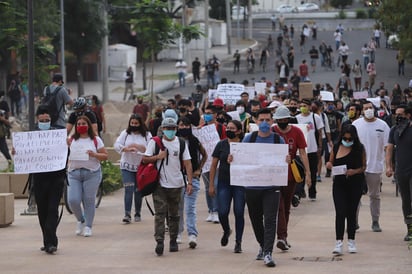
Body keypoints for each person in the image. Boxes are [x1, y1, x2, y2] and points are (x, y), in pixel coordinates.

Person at [241, 108, 288, 267]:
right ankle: (262, 244)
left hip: (271, 187)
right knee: (255, 219)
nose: (264, 123)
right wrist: (232, 157)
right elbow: (241, 159)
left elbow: (283, 162)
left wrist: (287, 160)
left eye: (267, 120)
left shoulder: (277, 140)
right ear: (256, 121)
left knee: (270, 219)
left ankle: (268, 252)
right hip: (252, 187)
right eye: (261, 120)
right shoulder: (250, 138)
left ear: (272, 121)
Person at [142, 117, 193, 256]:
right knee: (160, 213)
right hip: (159, 184)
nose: (170, 131)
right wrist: (158, 157)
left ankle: (173, 240)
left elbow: (188, 163)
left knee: (174, 214)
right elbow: (145, 159)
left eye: (172, 128)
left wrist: (189, 182)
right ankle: (159, 241)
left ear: (176, 129)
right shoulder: (155, 142)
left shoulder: (181, 143)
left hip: (177, 184)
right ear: (162, 129)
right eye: (167, 128)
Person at [27, 106, 67, 254]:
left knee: (52, 209)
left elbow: (65, 153)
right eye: (42, 120)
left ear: (51, 120)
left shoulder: (57, 134)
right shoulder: (32, 136)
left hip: (56, 178)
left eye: (47, 120)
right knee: (42, 211)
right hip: (39, 179)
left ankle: (51, 242)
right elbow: (26, 155)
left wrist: (66, 146)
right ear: (37, 120)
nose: (45, 122)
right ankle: (48, 240)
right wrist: (18, 152)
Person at [272, 106, 310, 251]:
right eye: (279, 120)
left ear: (288, 119)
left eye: (284, 119)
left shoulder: (297, 132)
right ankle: (281, 236)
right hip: (274, 174)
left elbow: (303, 153)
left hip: (290, 174)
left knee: (286, 206)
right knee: (279, 206)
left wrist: (308, 173)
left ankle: (283, 236)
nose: (281, 122)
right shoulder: (272, 131)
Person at [326, 124, 366, 255]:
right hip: (339, 183)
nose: (347, 141)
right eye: (345, 138)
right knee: (340, 211)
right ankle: (338, 242)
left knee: (351, 212)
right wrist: (330, 165)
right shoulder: (336, 147)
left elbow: (363, 166)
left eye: (350, 139)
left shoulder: (359, 148)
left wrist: (354, 171)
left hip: (355, 183)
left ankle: (351, 240)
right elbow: (330, 162)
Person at [67, 116, 108, 237]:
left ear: (88, 125)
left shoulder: (95, 140)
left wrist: (95, 154)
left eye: (83, 123)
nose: (81, 126)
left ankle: (88, 226)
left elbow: (105, 155)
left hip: (92, 173)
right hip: (74, 173)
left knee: (89, 200)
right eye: (78, 124)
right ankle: (81, 219)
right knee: (73, 200)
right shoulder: (71, 140)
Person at [353, 101, 390, 232]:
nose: (368, 110)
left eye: (370, 108)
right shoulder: (356, 125)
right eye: (365, 108)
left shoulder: (383, 125)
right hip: (358, 167)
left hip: (375, 166)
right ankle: (353, 221)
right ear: (361, 111)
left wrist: (389, 165)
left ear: (374, 109)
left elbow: (388, 147)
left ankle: (375, 221)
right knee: (355, 195)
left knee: (374, 195)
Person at [209, 120, 245, 253]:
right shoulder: (221, 144)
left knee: (239, 211)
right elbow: (213, 165)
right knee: (223, 211)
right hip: (224, 182)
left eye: (232, 128)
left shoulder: (245, 144)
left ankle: (238, 241)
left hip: (240, 183)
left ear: (239, 131)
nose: (229, 130)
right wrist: (211, 184)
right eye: (227, 127)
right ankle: (226, 230)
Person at [114, 114, 152, 223]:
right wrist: (125, 149)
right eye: (132, 123)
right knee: (129, 189)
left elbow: (151, 147)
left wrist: (139, 147)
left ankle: (138, 212)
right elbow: (117, 145)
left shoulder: (147, 135)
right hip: (127, 165)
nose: (134, 125)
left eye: (136, 123)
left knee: (138, 190)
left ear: (140, 124)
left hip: (141, 166)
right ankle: (127, 214)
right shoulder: (125, 134)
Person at [176, 117, 207, 248]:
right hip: (177, 178)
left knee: (190, 208)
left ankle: (192, 234)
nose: (184, 128)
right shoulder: (174, 142)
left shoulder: (194, 141)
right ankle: (177, 233)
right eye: (181, 125)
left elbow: (204, 155)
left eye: (186, 125)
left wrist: (199, 169)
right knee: (178, 208)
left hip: (192, 178)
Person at [385, 105, 412, 241]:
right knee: (406, 201)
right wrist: (389, 166)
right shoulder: (394, 130)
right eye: (396, 114)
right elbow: (389, 149)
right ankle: (409, 230)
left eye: (401, 114)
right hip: (401, 171)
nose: (398, 117)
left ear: (408, 115)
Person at [201, 105, 227, 223]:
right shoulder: (202, 128)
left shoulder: (221, 128)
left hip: (217, 161)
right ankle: (210, 210)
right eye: (205, 113)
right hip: (205, 161)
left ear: (215, 115)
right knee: (207, 187)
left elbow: (225, 142)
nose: (207, 115)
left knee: (215, 185)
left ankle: (216, 210)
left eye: (209, 113)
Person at [296, 99, 324, 200]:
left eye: (305, 105)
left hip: (312, 149)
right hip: (301, 150)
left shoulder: (315, 117)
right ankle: (300, 191)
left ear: (309, 107)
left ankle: (312, 192)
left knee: (312, 171)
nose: (303, 107)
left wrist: (320, 146)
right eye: (301, 105)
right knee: (301, 171)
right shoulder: (296, 118)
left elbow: (320, 133)